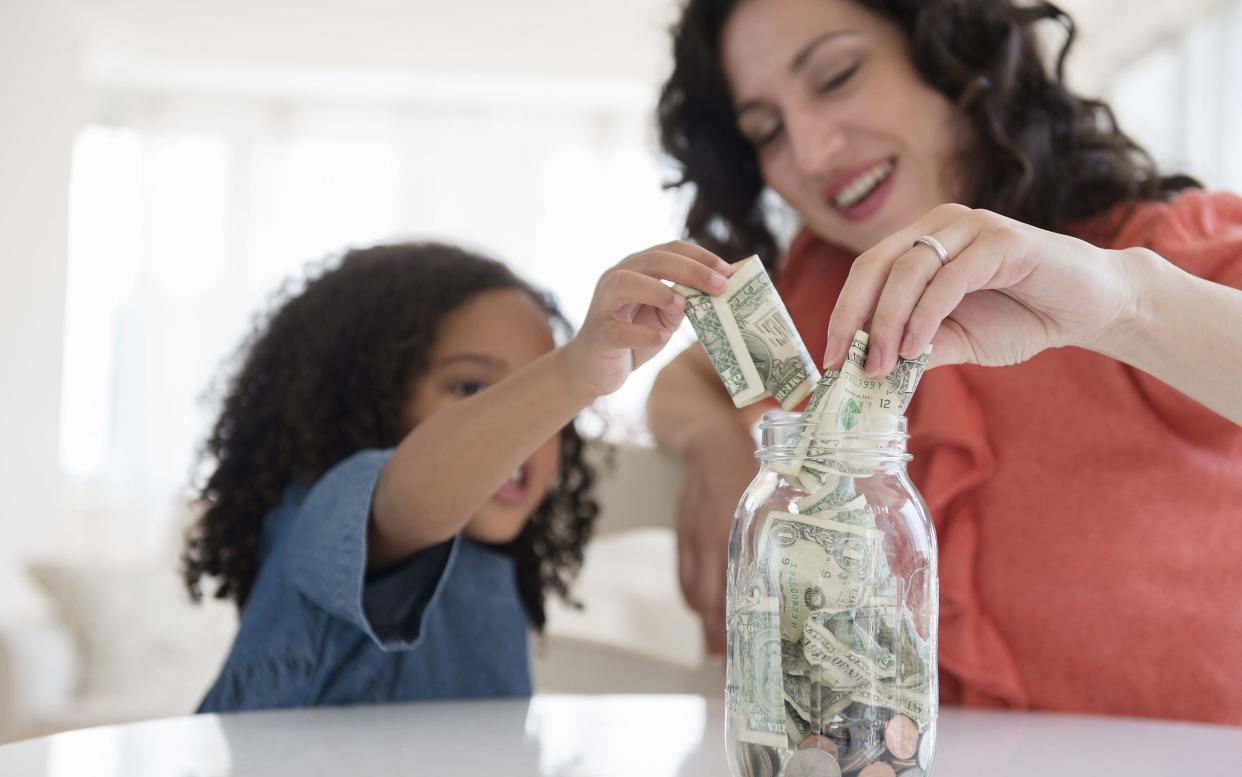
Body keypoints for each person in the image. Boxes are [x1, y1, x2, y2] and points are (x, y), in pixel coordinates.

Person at [649, 0, 1242, 723]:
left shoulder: (1167, 249)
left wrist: (1124, 305)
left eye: (836, 75)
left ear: (954, 57)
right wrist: (717, 443)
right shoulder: (821, 285)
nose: (809, 152)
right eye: (766, 132)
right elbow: (686, 379)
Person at [182, 240, 730, 711]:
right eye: (471, 389)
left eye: (542, 402)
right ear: (365, 403)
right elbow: (410, 498)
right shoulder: (326, 512)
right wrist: (572, 372)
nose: (529, 426)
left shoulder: (495, 571)